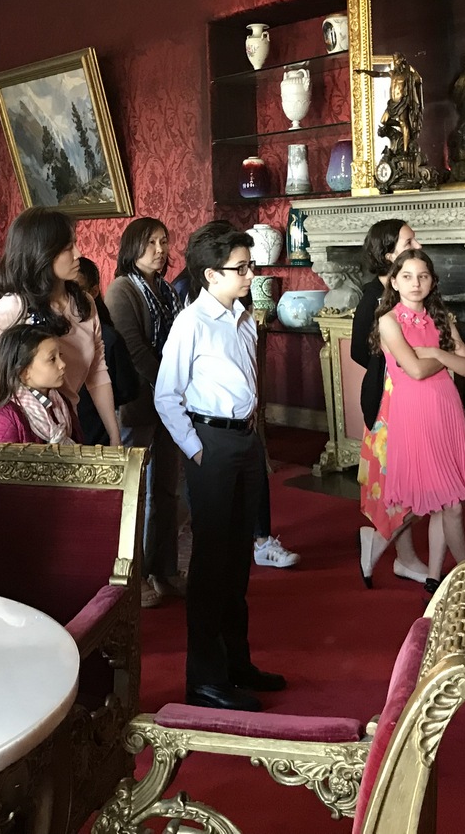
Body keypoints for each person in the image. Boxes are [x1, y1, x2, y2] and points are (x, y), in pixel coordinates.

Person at [155, 222, 285, 712]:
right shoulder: (191, 323)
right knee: (211, 564)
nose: (251, 275)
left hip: (244, 441)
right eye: (241, 268)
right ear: (211, 274)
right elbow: (166, 395)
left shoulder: (244, 318)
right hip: (210, 443)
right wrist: (194, 448)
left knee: (237, 560)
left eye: (250, 266)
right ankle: (205, 680)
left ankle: (236, 663)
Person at [370, 249, 465, 601]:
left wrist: (434, 353)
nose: (415, 283)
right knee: (453, 505)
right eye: (407, 276)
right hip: (415, 415)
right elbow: (414, 371)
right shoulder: (388, 320)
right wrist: (445, 360)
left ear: (432, 282)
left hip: (447, 411)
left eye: (423, 276)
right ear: (394, 281)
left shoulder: (441, 317)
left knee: (442, 503)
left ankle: (434, 579)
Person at [0, 207, 120, 444]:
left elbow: (97, 372)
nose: (78, 254)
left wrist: (115, 436)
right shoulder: (15, 306)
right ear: (43, 253)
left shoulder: (84, 303)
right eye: (68, 248)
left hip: (66, 424)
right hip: (24, 431)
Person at [105, 217, 187, 608]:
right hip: (140, 403)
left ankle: (163, 569)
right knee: (134, 493)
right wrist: (169, 386)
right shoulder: (122, 289)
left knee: (166, 491)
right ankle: (131, 577)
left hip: (169, 403)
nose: (159, 249)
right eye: (151, 242)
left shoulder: (167, 290)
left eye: (163, 241)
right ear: (132, 247)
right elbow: (133, 349)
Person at [352, 217, 429, 585]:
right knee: (407, 482)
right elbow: (359, 351)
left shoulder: (413, 288)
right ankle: (384, 542)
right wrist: (397, 362)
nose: (418, 245)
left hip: (419, 395)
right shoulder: (373, 296)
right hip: (387, 401)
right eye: (409, 241)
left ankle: (403, 556)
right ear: (388, 254)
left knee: (411, 481)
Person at [0, 324, 83, 444]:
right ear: (24, 372)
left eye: (60, 355)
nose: (62, 364)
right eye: (52, 359)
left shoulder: (62, 403)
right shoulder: (2, 420)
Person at [74, 255, 139, 446]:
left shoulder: (108, 337)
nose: (69, 297)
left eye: (76, 289)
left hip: (98, 432)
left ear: (93, 291)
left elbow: (128, 389)